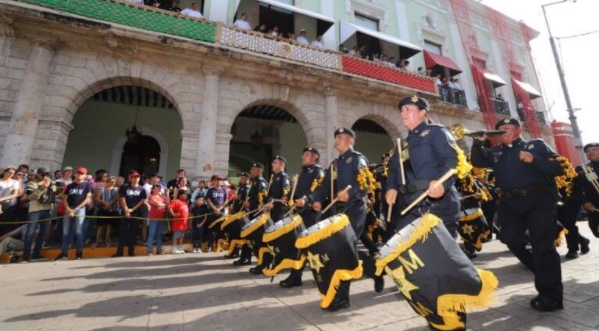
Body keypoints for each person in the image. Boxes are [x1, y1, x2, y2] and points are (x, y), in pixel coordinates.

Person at [471, 117, 564, 312]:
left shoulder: (536, 145)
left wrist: (534, 160)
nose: (502, 133)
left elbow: (559, 168)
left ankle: (550, 296)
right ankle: (540, 270)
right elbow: (478, 160)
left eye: (506, 128)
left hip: (538, 201)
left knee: (543, 248)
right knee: (510, 239)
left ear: (518, 130)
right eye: (498, 130)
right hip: (509, 204)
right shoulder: (495, 151)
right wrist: (477, 142)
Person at [313, 128, 384, 311]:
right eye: (335, 137)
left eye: (339, 138)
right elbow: (324, 187)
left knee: (343, 251)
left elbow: (365, 183)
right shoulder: (335, 164)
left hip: (354, 210)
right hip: (337, 212)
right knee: (343, 251)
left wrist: (350, 193)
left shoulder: (357, 159)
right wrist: (316, 201)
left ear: (350, 141)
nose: (336, 141)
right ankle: (374, 269)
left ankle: (342, 297)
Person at [279, 147, 324, 288]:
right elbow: (295, 190)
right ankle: (297, 276)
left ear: (314, 157)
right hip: (300, 213)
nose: (303, 157)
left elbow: (319, 192)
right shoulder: (302, 172)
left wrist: (306, 200)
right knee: (301, 246)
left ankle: (321, 276)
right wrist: (288, 196)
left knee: (311, 247)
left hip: (311, 214)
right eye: (303, 154)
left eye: (306, 154)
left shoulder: (318, 172)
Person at [54, 167, 93, 261]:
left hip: (80, 210)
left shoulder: (87, 185)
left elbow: (87, 198)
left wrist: (75, 209)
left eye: (82, 173)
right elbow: (65, 198)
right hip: (69, 209)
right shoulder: (71, 186)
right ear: (75, 174)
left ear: (85, 175)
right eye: (78, 173)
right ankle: (64, 253)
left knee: (79, 232)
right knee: (65, 232)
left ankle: (79, 252)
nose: (79, 175)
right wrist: (68, 208)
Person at [234, 163, 268, 266]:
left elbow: (262, 198)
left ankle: (259, 261)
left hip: (257, 213)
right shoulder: (254, 182)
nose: (251, 171)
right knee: (248, 236)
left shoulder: (261, 182)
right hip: (252, 212)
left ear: (259, 171)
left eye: (253, 170)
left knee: (255, 238)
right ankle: (245, 258)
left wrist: (251, 203)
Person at [21, 167, 57, 262]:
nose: (45, 176)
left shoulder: (51, 183)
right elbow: (31, 197)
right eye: (43, 174)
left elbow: (56, 194)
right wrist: (42, 187)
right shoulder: (32, 183)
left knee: (43, 233)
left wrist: (54, 186)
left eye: (47, 174)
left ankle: (36, 254)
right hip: (35, 210)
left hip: (47, 209)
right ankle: (26, 255)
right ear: (38, 174)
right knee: (30, 233)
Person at [113, 171, 147, 257]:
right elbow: (122, 198)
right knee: (122, 232)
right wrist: (126, 210)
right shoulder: (125, 187)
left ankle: (131, 252)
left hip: (135, 212)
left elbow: (142, 201)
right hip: (125, 211)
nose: (136, 179)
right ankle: (119, 252)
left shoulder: (142, 189)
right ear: (131, 178)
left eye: (137, 177)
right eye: (134, 177)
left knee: (133, 232)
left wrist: (132, 209)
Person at [573, 143, 599, 240]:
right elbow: (576, 190)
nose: (591, 152)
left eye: (594, 149)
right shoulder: (583, 170)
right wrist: (585, 202)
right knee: (596, 231)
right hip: (595, 208)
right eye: (588, 151)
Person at [204, 175, 228, 251]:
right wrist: (215, 209)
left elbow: (226, 201)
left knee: (220, 229)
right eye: (216, 180)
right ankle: (210, 245)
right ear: (213, 181)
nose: (218, 181)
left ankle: (219, 246)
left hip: (221, 211)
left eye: (220, 180)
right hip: (212, 211)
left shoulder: (224, 190)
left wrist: (220, 209)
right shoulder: (210, 190)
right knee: (211, 228)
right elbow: (208, 200)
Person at [263, 156, 290, 223]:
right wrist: (264, 203)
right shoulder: (274, 177)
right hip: (272, 210)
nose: (272, 164)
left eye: (275, 163)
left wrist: (274, 205)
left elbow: (285, 197)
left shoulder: (284, 177)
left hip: (279, 211)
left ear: (282, 165)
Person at [94, 176, 119, 248]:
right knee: (100, 226)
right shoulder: (102, 189)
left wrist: (110, 203)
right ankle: (97, 241)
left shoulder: (116, 189)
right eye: (110, 181)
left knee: (109, 226)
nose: (111, 183)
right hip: (102, 209)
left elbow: (117, 198)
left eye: (113, 182)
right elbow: (97, 199)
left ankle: (107, 240)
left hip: (112, 209)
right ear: (107, 182)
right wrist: (104, 202)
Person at [147, 184, 169, 255]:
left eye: (159, 188)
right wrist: (164, 205)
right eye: (157, 188)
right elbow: (157, 204)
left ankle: (159, 249)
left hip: (161, 218)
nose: (159, 189)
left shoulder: (162, 197)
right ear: (153, 189)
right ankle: (149, 250)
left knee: (159, 234)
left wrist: (167, 194)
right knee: (152, 234)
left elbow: (168, 203)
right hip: (153, 218)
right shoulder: (151, 196)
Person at [168, 188, 190, 254]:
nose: (186, 196)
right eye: (184, 195)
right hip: (178, 223)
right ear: (180, 195)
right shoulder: (176, 201)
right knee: (176, 236)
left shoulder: (185, 202)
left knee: (182, 236)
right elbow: (169, 207)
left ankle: (180, 247)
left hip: (184, 223)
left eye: (186, 195)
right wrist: (173, 214)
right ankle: (174, 248)